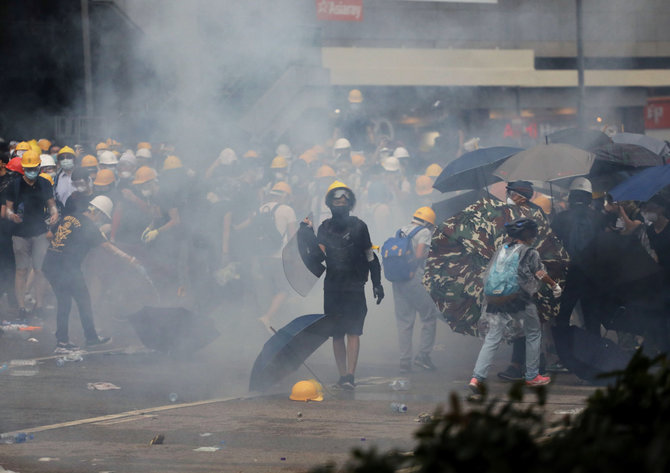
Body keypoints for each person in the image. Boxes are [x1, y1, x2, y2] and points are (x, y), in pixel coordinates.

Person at [301, 181, 384, 390]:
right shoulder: (325, 227)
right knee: (336, 333)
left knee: (353, 331)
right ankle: (341, 376)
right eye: (336, 201)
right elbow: (319, 256)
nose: (340, 204)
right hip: (332, 287)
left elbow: (370, 255)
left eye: (344, 201)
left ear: (350, 204)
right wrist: (308, 234)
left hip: (355, 285)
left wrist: (377, 282)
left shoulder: (359, 226)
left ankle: (350, 376)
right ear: (329, 204)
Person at [469, 218, 562, 394]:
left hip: (495, 299)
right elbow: (540, 273)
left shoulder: (502, 249)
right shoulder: (529, 252)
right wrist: (554, 285)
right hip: (518, 298)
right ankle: (532, 376)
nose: (534, 237)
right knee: (534, 332)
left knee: (492, 338)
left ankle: (477, 378)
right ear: (528, 234)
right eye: (533, 234)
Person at [43, 196, 141, 353]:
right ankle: (72, 341)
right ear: (97, 211)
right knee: (77, 302)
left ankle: (77, 339)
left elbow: (49, 236)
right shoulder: (89, 226)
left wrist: (63, 247)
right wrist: (129, 258)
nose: (101, 219)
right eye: (102, 215)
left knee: (68, 302)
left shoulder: (69, 216)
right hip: (67, 268)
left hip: (50, 264)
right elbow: (107, 247)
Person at [5, 150, 58, 319]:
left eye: (34, 168)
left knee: (40, 269)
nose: (31, 171)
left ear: (38, 167)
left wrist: (54, 213)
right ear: (23, 168)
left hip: (40, 232)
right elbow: (8, 208)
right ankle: (22, 307)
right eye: (28, 168)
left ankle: (39, 304)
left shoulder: (44, 183)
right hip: (20, 233)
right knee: (21, 270)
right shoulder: (15, 185)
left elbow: (51, 204)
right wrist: (11, 216)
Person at [550, 178, 605, 332]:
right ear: (589, 197)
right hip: (593, 274)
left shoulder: (561, 218)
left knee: (563, 315)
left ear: (571, 196)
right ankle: (594, 352)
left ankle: (565, 352)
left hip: (567, 274)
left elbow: (551, 245)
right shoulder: (600, 217)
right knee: (592, 317)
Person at [391, 207, 439, 373]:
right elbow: (419, 255)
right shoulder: (424, 232)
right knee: (429, 316)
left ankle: (404, 361)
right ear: (428, 222)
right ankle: (423, 356)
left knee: (404, 321)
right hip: (414, 279)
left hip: (397, 280)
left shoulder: (401, 230)